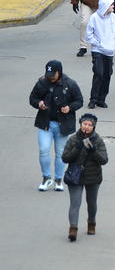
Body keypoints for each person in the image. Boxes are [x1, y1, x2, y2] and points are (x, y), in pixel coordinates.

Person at [30, 60, 85, 191]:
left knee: (60, 153)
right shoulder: (42, 83)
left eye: (52, 74)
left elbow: (79, 101)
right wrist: (39, 104)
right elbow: (32, 98)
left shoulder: (70, 84)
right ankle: (46, 177)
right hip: (45, 124)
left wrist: (70, 108)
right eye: (48, 74)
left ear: (59, 72)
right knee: (44, 150)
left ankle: (58, 179)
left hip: (62, 125)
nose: (50, 77)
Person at [61, 113, 107, 242]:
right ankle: (73, 229)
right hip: (75, 176)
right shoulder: (73, 139)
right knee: (75, 203)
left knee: (91, 203)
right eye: (84, 124)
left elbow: (104, 160)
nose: (86, 127)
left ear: (93, 127)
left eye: (89, 125)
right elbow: (65, 158)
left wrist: (94, 152)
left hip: (93, 176)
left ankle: (91, 223)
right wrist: (77, 148)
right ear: (80, 124)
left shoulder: (98, 140)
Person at [85, 0, 115, 109]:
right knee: (98, 73)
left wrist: (113, 44)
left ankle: (101, 99)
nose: (113, 6)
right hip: (98, 50)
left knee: (107, 74)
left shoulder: (114, 17)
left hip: (109, 51)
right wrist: (98, 43)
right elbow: (88, 34)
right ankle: (93, 99)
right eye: (111, 5)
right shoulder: (94, 18)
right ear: (105, 6)